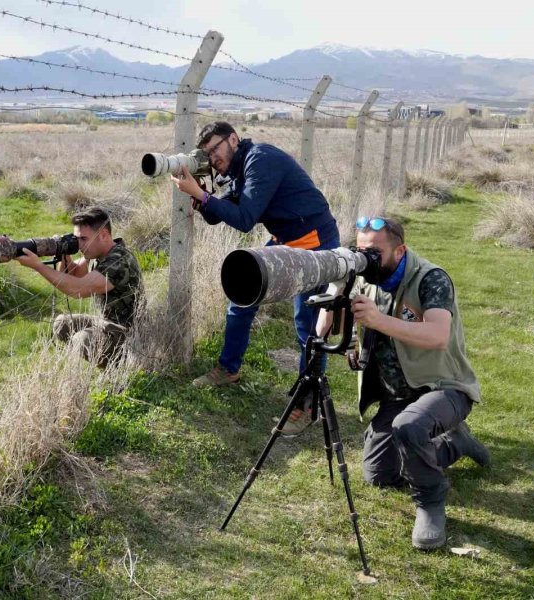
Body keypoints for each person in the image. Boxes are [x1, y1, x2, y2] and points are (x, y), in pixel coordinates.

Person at [317, 216, 490, 550]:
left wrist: (379, 320)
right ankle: (455, 444)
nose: (366, 259)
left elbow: (438, 335)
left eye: (374, 253)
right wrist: (336, 286)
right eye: (360, 251)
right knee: (379, 475)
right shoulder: (364, 279)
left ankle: (430, 503)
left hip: (443, 387)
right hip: (397, 395)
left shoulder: (431, 278)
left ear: (400, 250)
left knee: (409, 427)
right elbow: (322, 331)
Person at [171, 121, 340, 427]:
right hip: (285, 240)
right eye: (207, 154)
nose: (212, 158)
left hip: (315, 241)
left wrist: (204, 197)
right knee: (242, 297)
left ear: (233, 139)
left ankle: (308, 404)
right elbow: (220, 213)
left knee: (308, 325)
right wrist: (202, 197)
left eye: (215, 149)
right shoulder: (239, 169)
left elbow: (245, 219)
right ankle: (229, 368)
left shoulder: (261, 160)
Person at [15, 207, 143, 368]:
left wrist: (38, 266)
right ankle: (109, 360)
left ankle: (121, 368)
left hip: (130, 332)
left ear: (103, 235)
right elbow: (74, 274)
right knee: (62, 324)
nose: (79, 244)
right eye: (76, 239)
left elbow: (77, 289)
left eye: (83, 239)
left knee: (82, 340)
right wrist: (63, 252)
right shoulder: (98, 254)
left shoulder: (119, 261)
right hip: (106, 323)